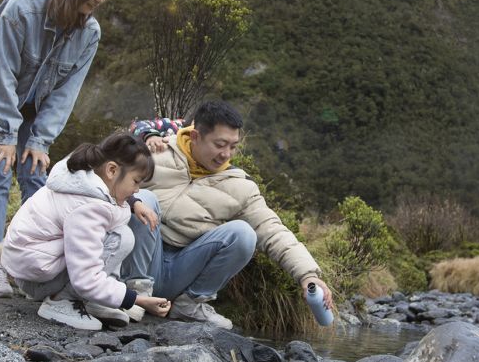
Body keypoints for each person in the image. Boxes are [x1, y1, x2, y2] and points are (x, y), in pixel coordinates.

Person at [122, 100, 333, 330]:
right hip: (140, 260)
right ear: (195, 137)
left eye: (233, 146)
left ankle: (190, 304)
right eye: (220, 144)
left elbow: (273, 230)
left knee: (244, 234)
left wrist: (307, 275)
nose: (226, 154)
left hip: (183, 267)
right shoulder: (157, 152)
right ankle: (135, 296)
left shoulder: (239, 186)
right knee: (143, 198)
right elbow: (104, 175)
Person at [0, 0, 116, 296]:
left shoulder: (90, 32)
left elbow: (66, 93)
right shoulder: (21, 11)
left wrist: (40, 141)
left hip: (34, 109)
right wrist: (5, 134)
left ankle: (35, 265)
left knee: (34, 172)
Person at [0, 132, 171, 331]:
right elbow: (86, 277)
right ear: (112, 170)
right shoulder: (88, 207)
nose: (137, 189)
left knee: (121, 234)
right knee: (120, 238)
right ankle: (60, 302)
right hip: (38, 277)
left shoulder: (84, 177)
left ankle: (91, 300)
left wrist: (134, 203)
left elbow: (113, 205)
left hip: (32, 267)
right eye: (136, 181)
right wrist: (136, 300)